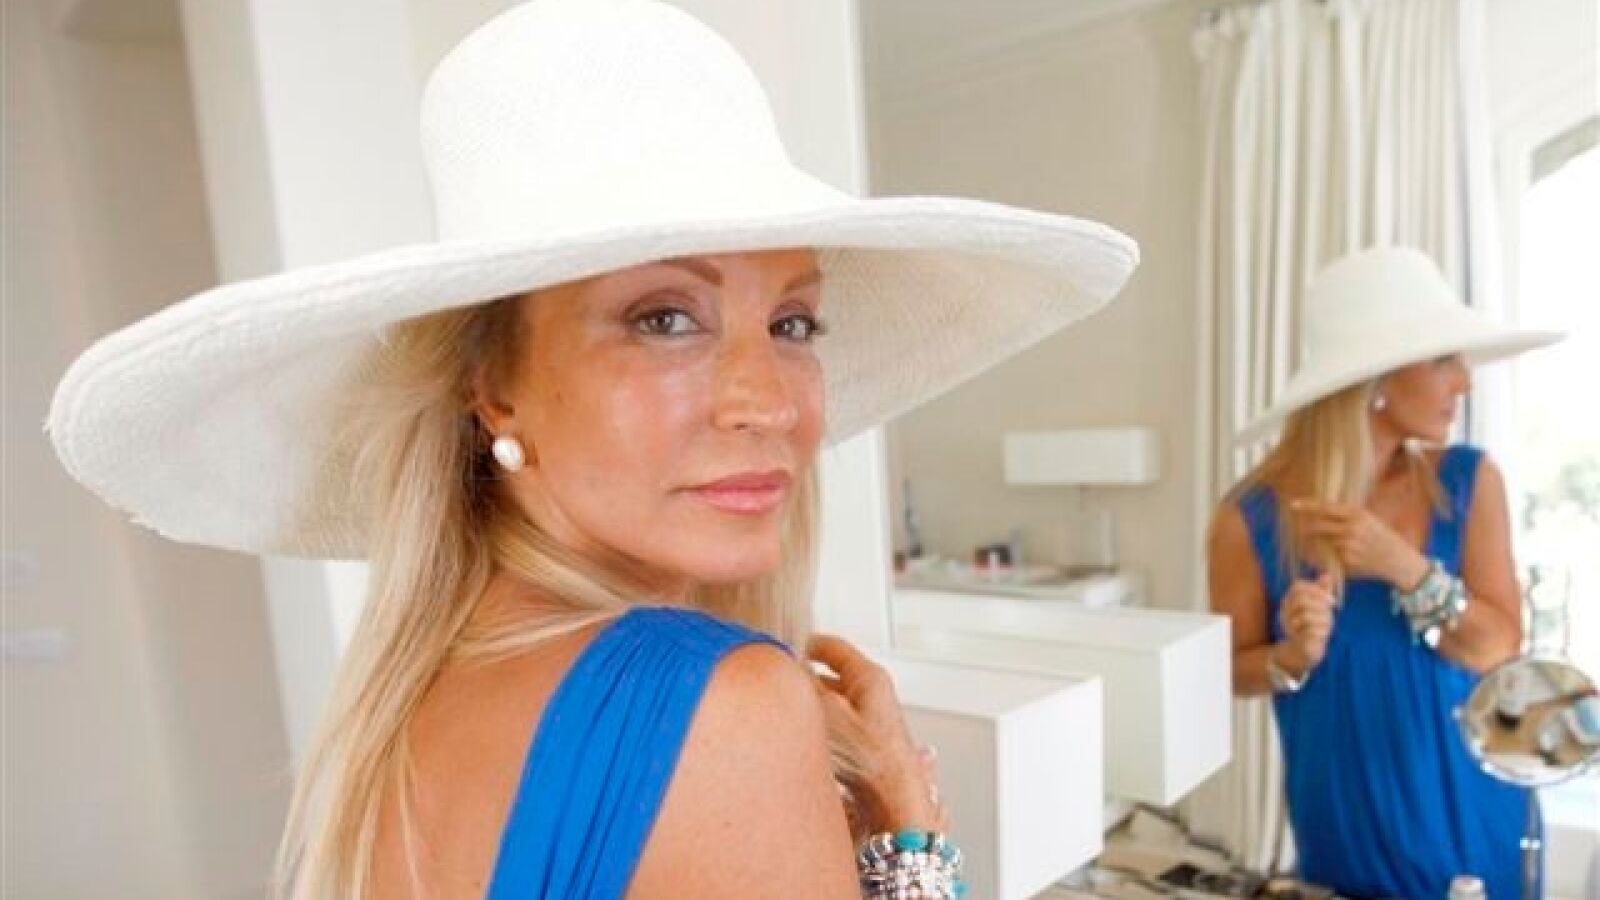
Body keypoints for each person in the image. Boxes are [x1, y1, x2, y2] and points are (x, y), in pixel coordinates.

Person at [44, 2, 1138, 898]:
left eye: (793, 322)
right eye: (664, 317)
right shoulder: (721, 710)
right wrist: (911, 843)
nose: (768, 401)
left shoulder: (408, 708)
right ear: (495, 389)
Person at [1208, 246, 1562, 899]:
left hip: (1477, 816)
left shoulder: (1468, 482)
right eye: (1443, 360)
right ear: (1374, 380)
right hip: (1347, 827)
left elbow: (1497, 648)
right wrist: (1291, 656)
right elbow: (1226, 671)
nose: (1464, 381)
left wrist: (1405, 567)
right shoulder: (1248, 518)